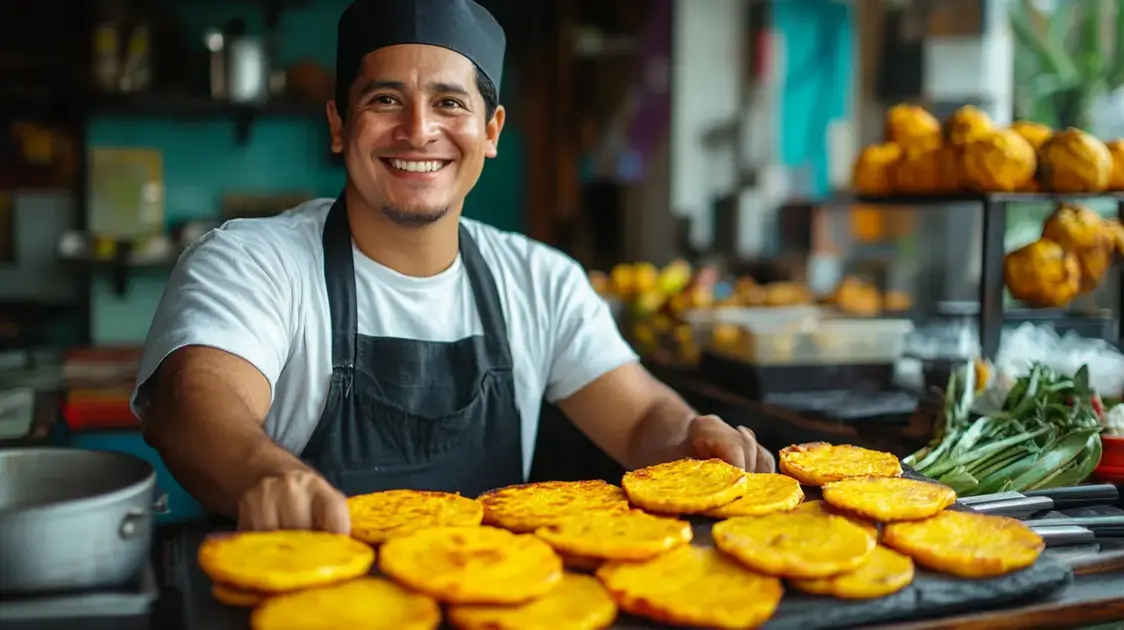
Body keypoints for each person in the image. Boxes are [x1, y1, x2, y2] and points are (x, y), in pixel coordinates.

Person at [134, 0, 774, 534]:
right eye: (386, 99)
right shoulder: (252, 261)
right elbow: (195, 403)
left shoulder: (540, 281)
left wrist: (689, 435)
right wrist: (266, 477)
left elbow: (639, 419)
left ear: (491, 131)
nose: (418, 130)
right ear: (338, 124)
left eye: (449, 103)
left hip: (491, 601)